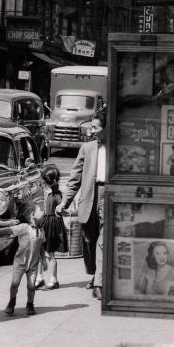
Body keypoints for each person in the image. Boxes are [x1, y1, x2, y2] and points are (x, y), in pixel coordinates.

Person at [57, 112, 106, 300]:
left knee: (103, 240)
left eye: (96, 127)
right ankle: (95, 274)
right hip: (89, 197)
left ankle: (99, 282)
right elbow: (75, 177)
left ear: (107, 128)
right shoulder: (87, 148)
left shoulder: (118, 148)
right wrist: (65, 202)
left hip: (107, 196)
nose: (91, 131)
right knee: (89, 239)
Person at [0, 203, 46, 316]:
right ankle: (12, 302)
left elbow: (41, 246)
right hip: (20, 263)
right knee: (15, 284)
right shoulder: (24, 228)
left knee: (31, 286)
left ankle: (30, 304)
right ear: (33, 215)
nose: (43, 218)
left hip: (33, 265)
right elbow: (9, 230)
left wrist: (44, 260)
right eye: (41, 216)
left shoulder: (42, 231)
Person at [35, 166, 68, 290]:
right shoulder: (42, 192)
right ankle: (39, 278)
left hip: (52, 225)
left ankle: (54, 280)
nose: (41, 180)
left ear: (46, 180)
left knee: (50, 254)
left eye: (42, 178)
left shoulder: (56, 194)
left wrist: (61, 211)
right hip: (43, 223)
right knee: (39, 253)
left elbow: (62, 210)